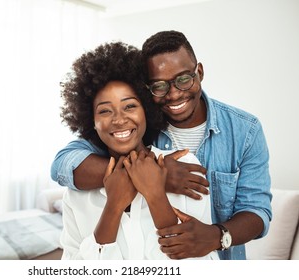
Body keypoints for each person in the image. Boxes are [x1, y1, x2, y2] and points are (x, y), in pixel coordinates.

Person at [51, 31, 272, 260]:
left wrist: (216, 236)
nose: (175, 94)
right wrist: (151, 174)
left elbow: (257, 212)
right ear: (148, 91)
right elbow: (62, 164)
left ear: (200, 72)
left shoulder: (245, 129)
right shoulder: (140, 125)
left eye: (184, 79)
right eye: (159, 86)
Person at [58, 41, 218, 260]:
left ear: (146, 110)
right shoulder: (77, 192)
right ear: (91, 121)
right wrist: (113, 207)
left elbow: (200, 263)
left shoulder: (186, 167)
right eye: (105, 111)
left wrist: (155, 195)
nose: (119, 119)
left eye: (130, 106)